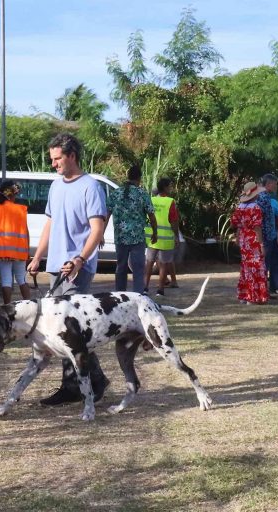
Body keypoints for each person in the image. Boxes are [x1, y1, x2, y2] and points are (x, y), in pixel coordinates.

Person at [26, 133, 109, 406]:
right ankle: (80, 383)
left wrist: (80, 260)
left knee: (69, 329)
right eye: (52, 159)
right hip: (55, 267)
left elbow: (97, 229)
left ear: (72, 155)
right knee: (62, 328)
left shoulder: (91, 187)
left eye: (57, 158)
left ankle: (86, 383)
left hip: (77, 269)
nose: (54, 164)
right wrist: (37, 256)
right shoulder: (55, 186)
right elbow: (49, 224)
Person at [105, 164, 157, 292]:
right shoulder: (142, 194)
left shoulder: (116, 193)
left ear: (128, 177)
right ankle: (138, 296)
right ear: (139, 178)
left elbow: (107, 214)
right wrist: (155, 232)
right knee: (138, 269)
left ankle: (120, 296)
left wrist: (101, 233)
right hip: (137, 238)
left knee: (121, 267)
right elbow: (151, 215)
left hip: (120, 238)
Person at [0, 180, 30, 304]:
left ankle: (7, 307)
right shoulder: (21, 209)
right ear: (12, 194)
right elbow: (26, 232)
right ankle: (29, 305)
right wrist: (27, 251)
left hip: (1, 251)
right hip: (19, 251)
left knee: (6, 280)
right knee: (21, 279)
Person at [231, 182, 269, 305]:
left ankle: (244, 295)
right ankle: (254, 297)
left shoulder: (240, 207)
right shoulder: (255, 208)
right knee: (257, 267)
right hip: (253, 240)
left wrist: (238, 236)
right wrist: (262, 244)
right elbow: (257, 227)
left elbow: (235, 224)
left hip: (243, 238)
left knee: (246, 267)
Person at [144, 177, 180, 297]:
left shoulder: (151, 200)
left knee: (149, 262)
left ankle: (145, 287)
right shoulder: (170, 202)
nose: (171, 188)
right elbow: (174, 220)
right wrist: (176, 236)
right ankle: (160, 289)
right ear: (165, 188)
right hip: (165, 238)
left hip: (151, 237)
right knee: (164, 264)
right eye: (169, 186)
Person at [256, 173, 278, 295]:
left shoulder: (268, 198)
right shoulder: (262, 198)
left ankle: (276, 286)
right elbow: (260, 219)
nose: (276, 186)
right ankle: (263, 289)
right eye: (275, 184)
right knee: (266, 264)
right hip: (266, 236)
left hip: (271, 235)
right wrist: (261, 240)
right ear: (268, 184)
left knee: (275, 262)